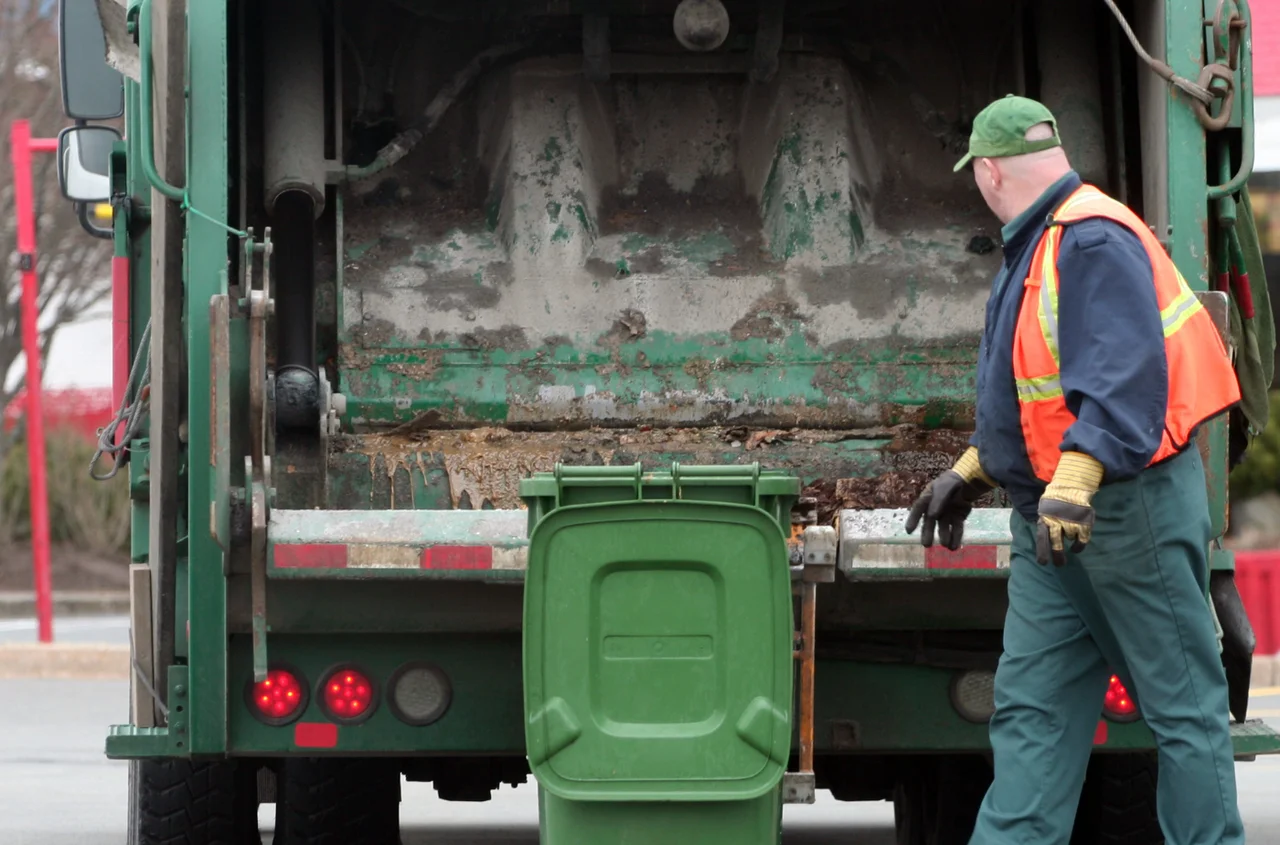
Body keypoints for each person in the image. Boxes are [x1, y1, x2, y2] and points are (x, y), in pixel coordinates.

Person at [905, 94, 1245, 843]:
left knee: (1183, 709)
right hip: (1055, 524)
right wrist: (970, 469)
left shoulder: (1090, 239)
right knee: (1033, 715)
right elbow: (1033, 391)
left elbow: (1122, 381)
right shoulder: (1040, 244)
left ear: (989, 171)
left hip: (1125, 513)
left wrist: (1076, 483)